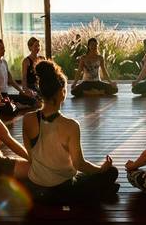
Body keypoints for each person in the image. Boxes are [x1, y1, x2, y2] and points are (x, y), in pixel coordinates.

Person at [22, 60, 119, 203]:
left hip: (36, 186)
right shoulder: (70, 126)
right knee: (111, 172)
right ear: (62, 93)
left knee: (99, 180)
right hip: (63, 187)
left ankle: (101, 190)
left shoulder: (27, 119)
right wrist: (101, 169)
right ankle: (99, 192)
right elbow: (79, 165)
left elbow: (30, 155)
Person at [0, 38, 37, 111]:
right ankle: (17, 106)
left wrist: (22, 92)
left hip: (5, 94)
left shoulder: (4, 62)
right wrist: (2, 99)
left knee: (32, 100)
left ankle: (16, 105)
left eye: (4, 48)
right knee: (9, 108)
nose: (4, 50)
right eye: (1, 48)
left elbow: (11, 81)